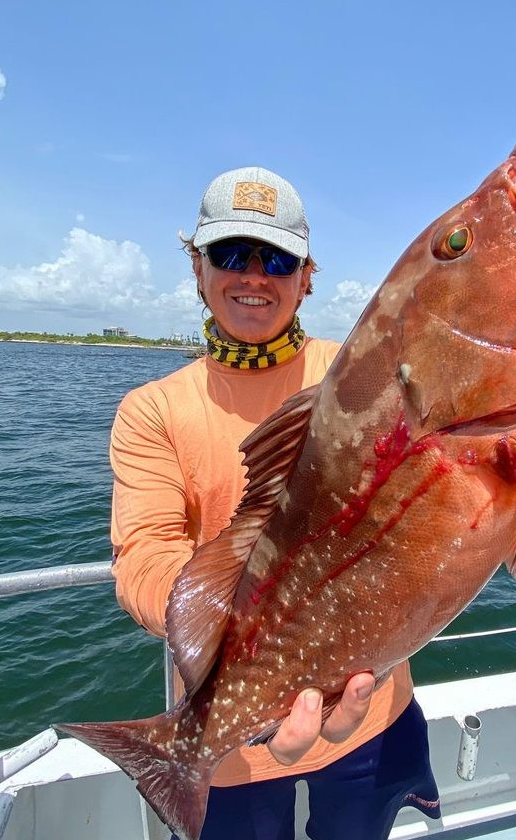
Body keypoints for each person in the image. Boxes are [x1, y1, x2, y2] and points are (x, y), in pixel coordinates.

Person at [109, 166, 440, 839]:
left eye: (277, 258)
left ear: (307, 275)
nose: (254, 276)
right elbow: (144, 556)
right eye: (230, 254)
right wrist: (261, 644)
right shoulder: (152, 410)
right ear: (197, 270)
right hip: (230, 739)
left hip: (368, 708)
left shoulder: (368, 372)